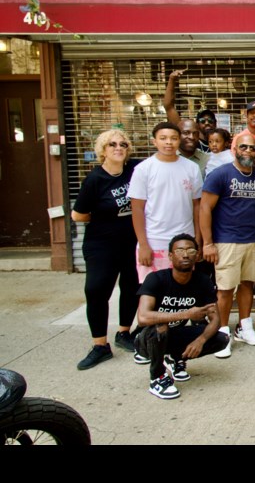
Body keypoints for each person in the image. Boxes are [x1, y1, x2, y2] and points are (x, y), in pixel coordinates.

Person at [199, 133, 255, 359]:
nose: (248, 152)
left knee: (248, 285)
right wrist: (208, 243)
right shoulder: (219, 175)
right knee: (225, 290)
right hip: (226, 240)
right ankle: (222, 333)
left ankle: (244, 326)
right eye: (244, 147)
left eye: (252, 148)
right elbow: (204, 209)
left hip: (253, 239)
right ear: (234, 148)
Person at [72, 129, 141, 370]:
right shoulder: (95, 179)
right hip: (101, 243)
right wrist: (103, 217)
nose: (118, 147)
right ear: (103, 150)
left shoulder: (133, 169)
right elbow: (78, 214)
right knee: (97, 289)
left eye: (123, 143)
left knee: (131, 287)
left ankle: (124, 332)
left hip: (130, 241)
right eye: (112, 144)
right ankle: (100, 345)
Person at [134, 234, 229, 400]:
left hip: (174, 335)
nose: (185, 255)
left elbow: (216, 320)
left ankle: (175, 358)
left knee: (220, 339)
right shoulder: (155, 279)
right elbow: (142, 317)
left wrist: (201, 340)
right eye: (180, 250)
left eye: (191, 250)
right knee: (161, 326)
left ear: (197, 256)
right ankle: (157, 378)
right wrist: (186, 314)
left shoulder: (203, 281)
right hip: (148, 339)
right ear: (170, 256)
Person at [130, 121, 203, 283]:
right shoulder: (143, 169)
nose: (169, 142)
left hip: (185, 242)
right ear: (154, 141)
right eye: (163, 138)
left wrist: (197, 240)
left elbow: (197, 206)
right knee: (152, 293)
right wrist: (143, 245)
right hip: (154, 241)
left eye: (173, 138)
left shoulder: (191, 168)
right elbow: (137, 209)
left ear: (179, 140)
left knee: (183, 292)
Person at [162, 68, 217, 153]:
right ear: (197, 124)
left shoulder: (221, 143)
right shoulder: (191, 141)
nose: (207, 123)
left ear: (215, 124)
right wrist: (172, 80)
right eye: (202, 121)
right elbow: (169, 107)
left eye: (210, 120)